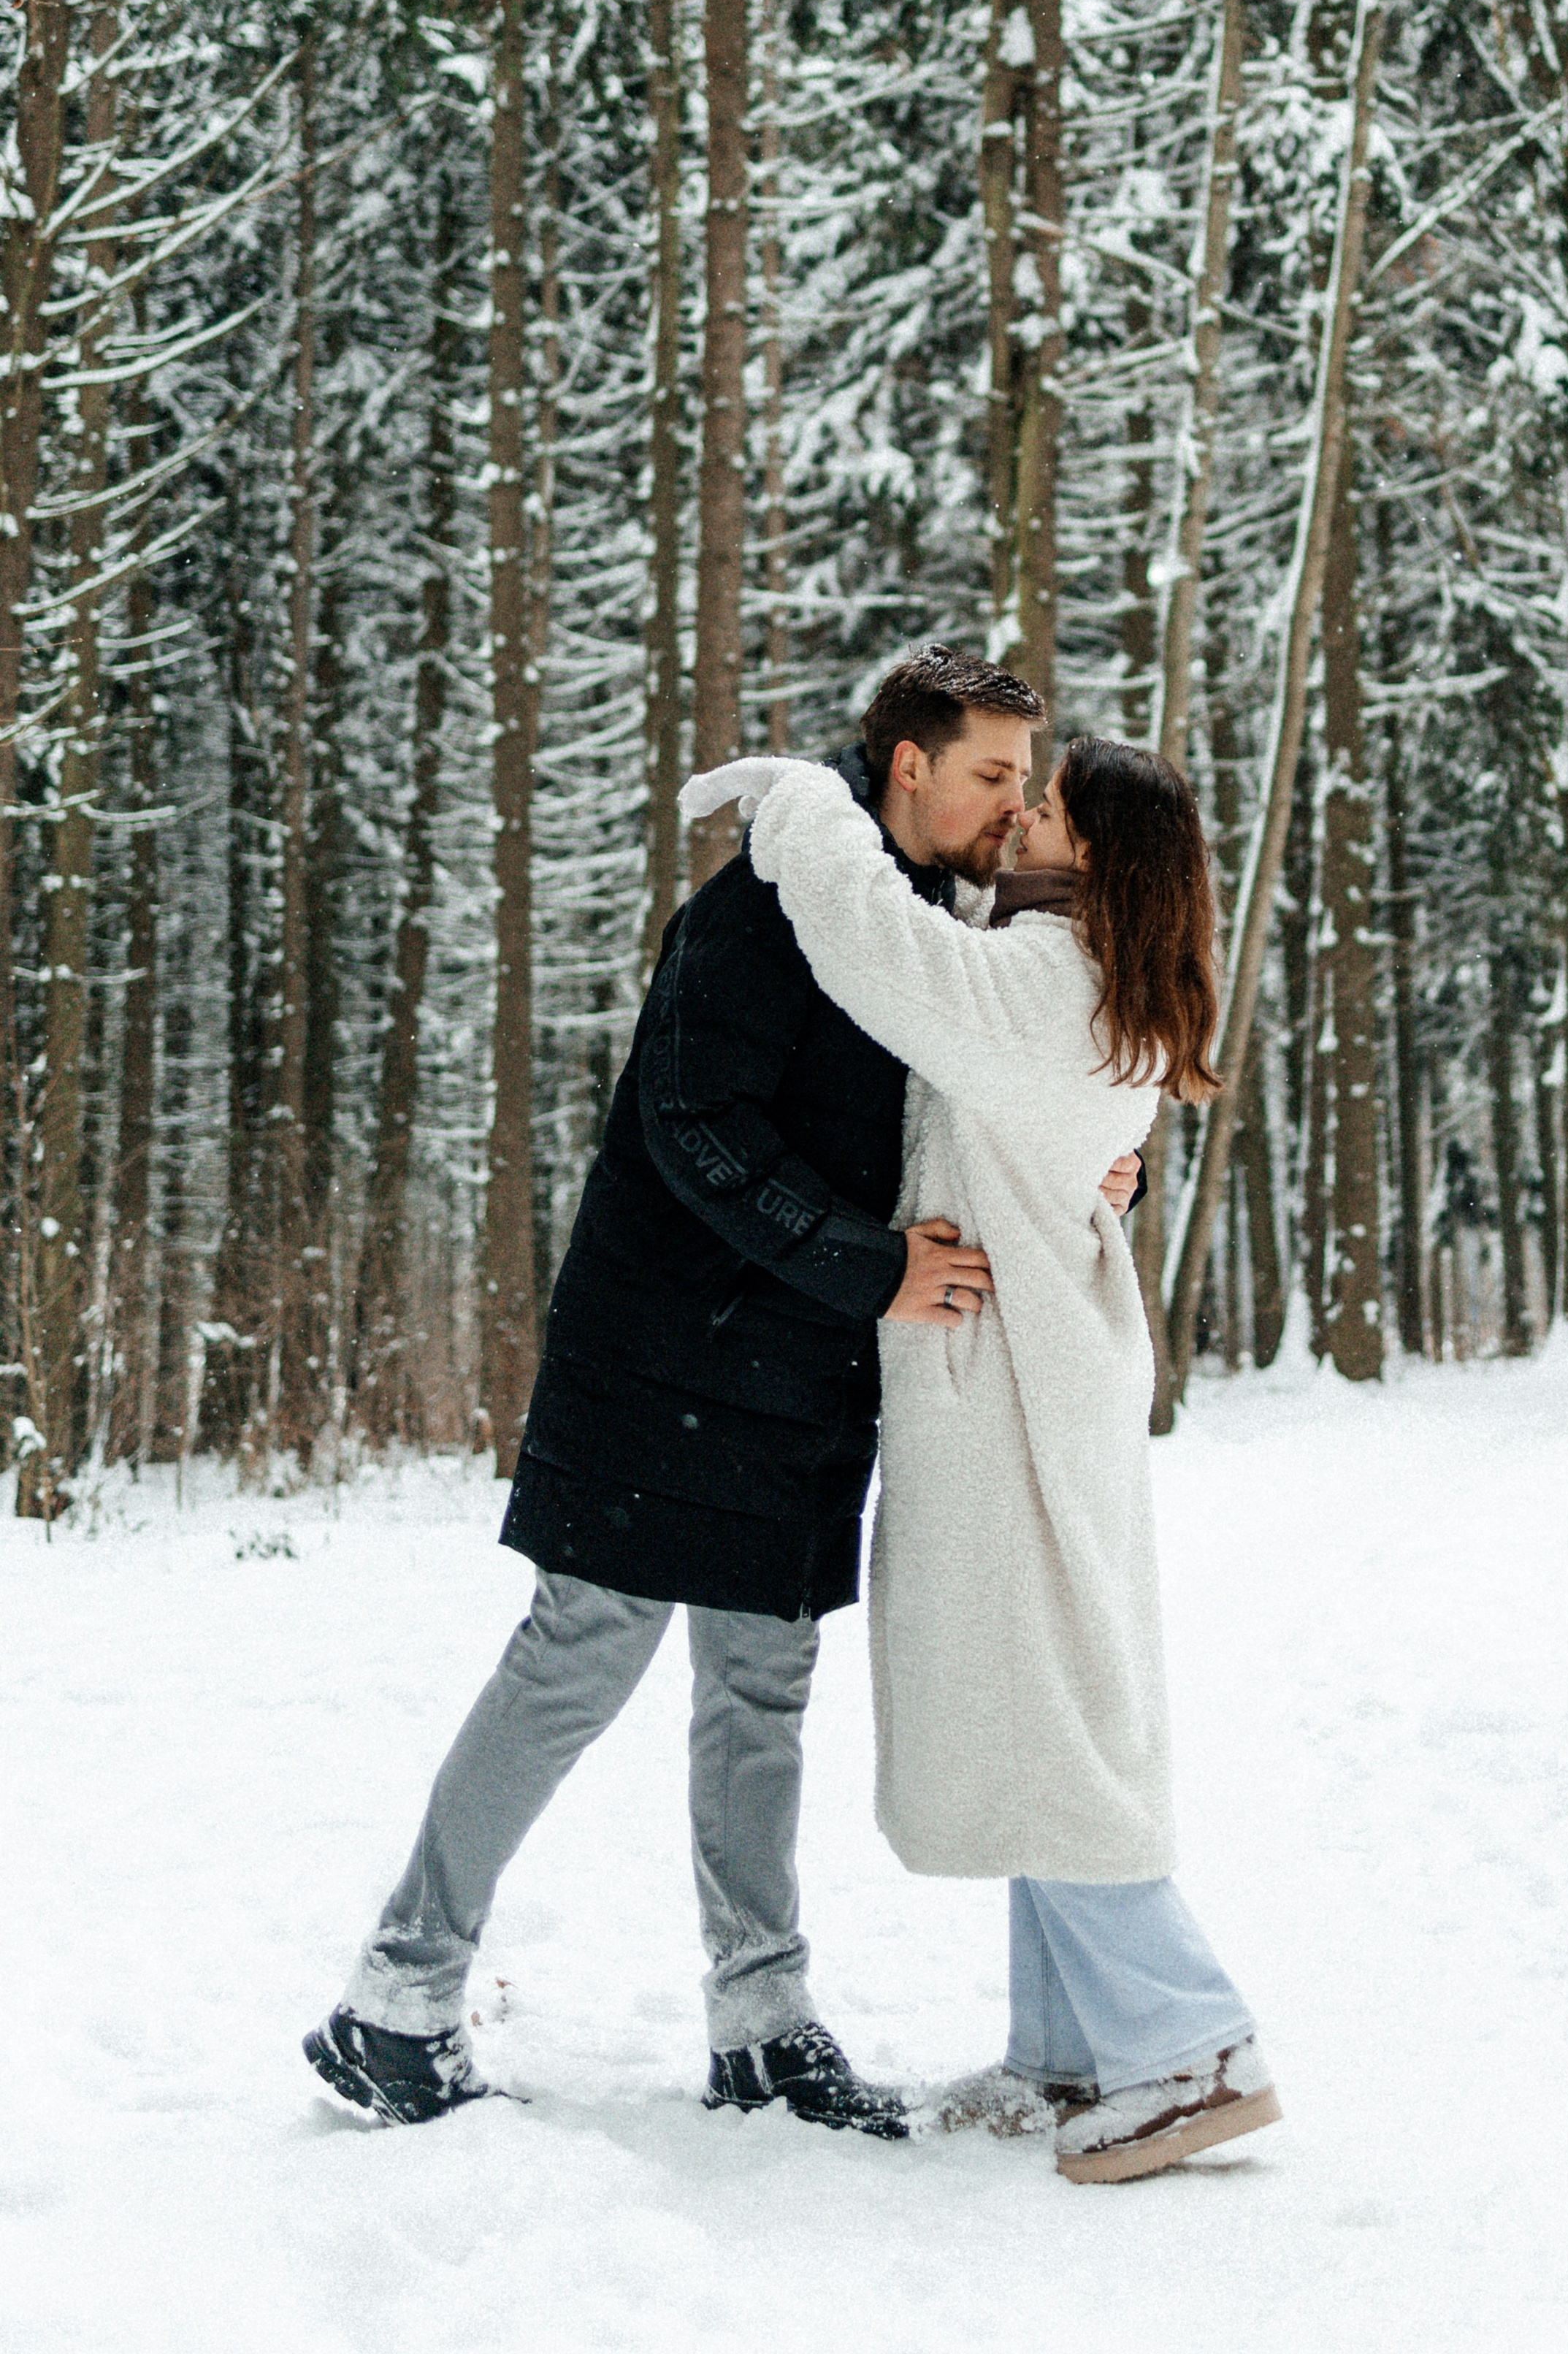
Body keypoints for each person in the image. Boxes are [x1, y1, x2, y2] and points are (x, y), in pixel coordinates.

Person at [303, 645, 1141, 2137]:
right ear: (907, 767)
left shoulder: (925, 919)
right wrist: (865, 1262)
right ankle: (399, 1994)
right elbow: (691, 1127)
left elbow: (977, 1095)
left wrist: (1085, 1156)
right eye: (992, 775)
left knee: (762, 1690)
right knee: (577, 1652)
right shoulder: (766, 909)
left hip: (806, 1376)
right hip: (667, 1353)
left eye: (1028, 781)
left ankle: (760, 2020)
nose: (1015, 808)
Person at [679, 733, 1278, 2185]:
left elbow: (882, 956)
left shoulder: (1042, 988)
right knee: (1037, 1700)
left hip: (1014, 1394)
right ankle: (1068, 2048)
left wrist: (808, 797)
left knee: (1049, 1717)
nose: (1016, 819)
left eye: (1048, 809)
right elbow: (962, 996)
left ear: (1101, 859)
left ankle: (1191, 2046)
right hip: (1026, 1384)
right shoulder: (1069, 976)